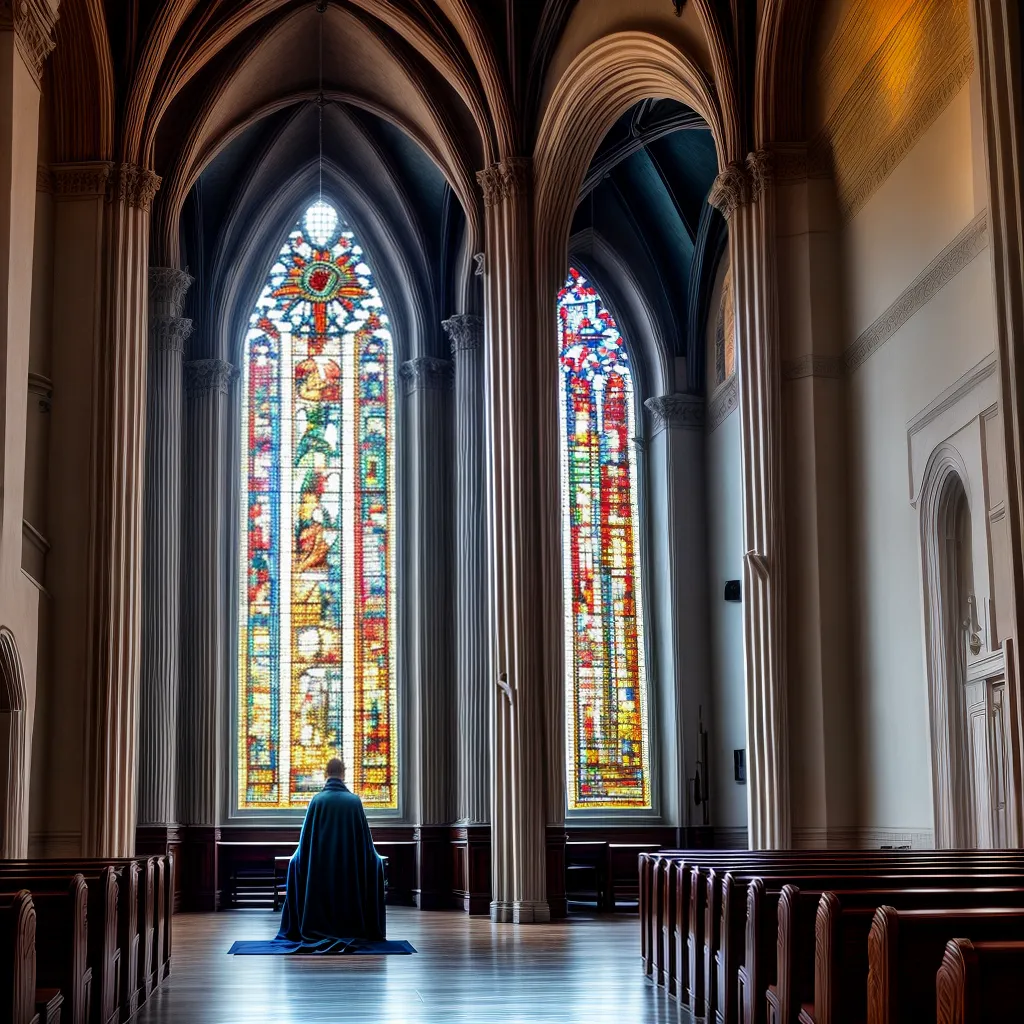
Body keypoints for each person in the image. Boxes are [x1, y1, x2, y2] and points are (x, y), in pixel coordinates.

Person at [277, 758, 387, 945]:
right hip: (349, 871)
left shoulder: (317, 801)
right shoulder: (354, 802)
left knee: (294, 865)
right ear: (343, 774)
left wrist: (296, 859)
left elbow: (305, 844)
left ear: (326, 774)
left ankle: (314, 925)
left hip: (319, 871)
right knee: (376, 866)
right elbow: (366, 845)